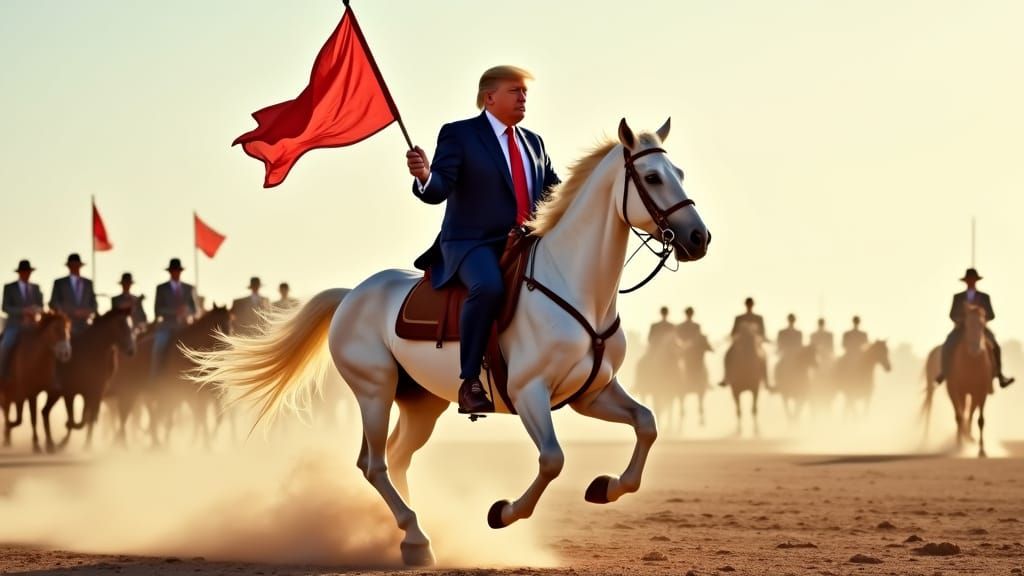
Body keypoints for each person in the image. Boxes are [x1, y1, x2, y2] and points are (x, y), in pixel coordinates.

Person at [405, 65, 560, 414]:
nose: (523, 98)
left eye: (525, 93)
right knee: (488, 287)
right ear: (489, 97)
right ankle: (470, 380)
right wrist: (425, 176)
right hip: (471, 243)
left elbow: (554, 192)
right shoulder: (460, 135)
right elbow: (438, 190)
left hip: (525, 242)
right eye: (515, 91)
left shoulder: (534, 142)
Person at [936, 268, 1014, 388]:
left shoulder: (984, 297)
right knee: (948, 344)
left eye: (972, 280)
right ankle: (944, 372)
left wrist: (980, 318)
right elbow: (952, 314)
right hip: (961, 328)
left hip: (980, 328)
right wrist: (963, 320)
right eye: (969, 280)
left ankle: (1000, 375)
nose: (971, 282)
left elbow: (991, 315)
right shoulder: (958, 297)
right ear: (965, 282)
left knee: (995, 345)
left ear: (976, 281)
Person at [151, 258, 197, 378]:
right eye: (174, 271)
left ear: (180, 272)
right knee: (159, 346)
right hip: (167, 326)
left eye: (178, 270)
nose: (176, 273)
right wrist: (174, 312)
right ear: (170, 272)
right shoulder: (161, 288)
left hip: (185, 327)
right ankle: (155, 377)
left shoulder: (188, 288)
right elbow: (157, 310)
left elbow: (194, 310)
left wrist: (186, 311)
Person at [0, 260, 43, 378]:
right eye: (24, 272)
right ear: (19, 273)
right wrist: (23, 311)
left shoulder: (35, 288)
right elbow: (5, 307)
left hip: (33, 325)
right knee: (5, 345)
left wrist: (35, 310)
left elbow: (41, 306)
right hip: (15, 325)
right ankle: (2, 375)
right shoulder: (10, 287)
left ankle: (52, 377)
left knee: (51, 343)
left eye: (28, 272)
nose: (26, 274)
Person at [49, 253, 97, 336]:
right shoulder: (60, 283)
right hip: (66, 326)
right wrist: (71, 312)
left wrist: (87, 311)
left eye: (77, 265)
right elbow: (53, 303)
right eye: (73, 265)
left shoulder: (88, 283)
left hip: (85, 325)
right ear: (69, 266)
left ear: (80, 266)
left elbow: (94, 303)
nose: (75, 267)